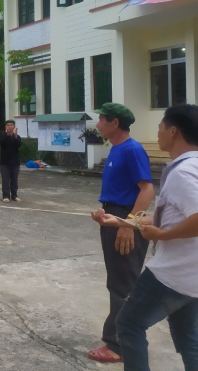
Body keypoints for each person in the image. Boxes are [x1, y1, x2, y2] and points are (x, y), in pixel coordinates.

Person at [92, 104, 198, 371]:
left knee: (128, 321)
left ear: (173, 131)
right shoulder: (186, 167)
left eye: (161, 126)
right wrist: (122, 221)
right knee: (188, 339)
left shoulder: (182, 171)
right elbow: (174, 215)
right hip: (187, 274)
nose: (158, 131)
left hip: (176, 272)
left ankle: (116, 346)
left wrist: (152, 231)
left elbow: (147, 190)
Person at [87, 102, 155, 364]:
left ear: (115, 123)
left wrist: (128, 224)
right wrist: (106, 215)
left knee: (123, 284)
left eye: (101, 119)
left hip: (127, 219)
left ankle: (120, 345)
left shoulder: (132, 149)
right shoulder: (116, 149)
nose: (97, 124)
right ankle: (117, 338)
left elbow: (147, 190)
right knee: (117, 281)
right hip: (115, 216)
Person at [0, 119, 22, 203]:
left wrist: (15, 136)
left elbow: (19, 144)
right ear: (6, 127)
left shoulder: (17, 137)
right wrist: (7, 135)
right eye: (8, 125)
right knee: (5, 180)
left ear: (14, 127)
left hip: (15, 163)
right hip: (4, 163)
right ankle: (6, 196)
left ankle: (14, 195)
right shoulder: (2, 136)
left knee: (14, 180)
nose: (10, 127)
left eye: (11, 125)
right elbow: (1, 143)